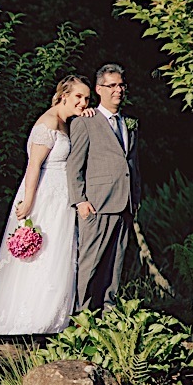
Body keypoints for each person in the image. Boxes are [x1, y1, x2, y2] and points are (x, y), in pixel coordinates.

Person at [0, 75, 93, 335]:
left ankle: (53, 320)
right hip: (44, 196)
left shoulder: (67, 123)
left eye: (87, 98)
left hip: (62, 200)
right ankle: (29, 321)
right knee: (40, 254)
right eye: (78, 97)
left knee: (59, 255)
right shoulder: (48, 122)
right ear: (64, 95)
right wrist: (29, 200)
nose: (83, 102)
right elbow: (34, 166)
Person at [67, 63, 141, 312]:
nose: (118, 90)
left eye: (121, 85)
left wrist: (135, 198)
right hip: (97, 205)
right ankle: (82, 317)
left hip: (125, 204)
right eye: (112, 86)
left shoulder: (129, 123)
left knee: (115, 266)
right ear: (99, 89)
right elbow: (74, 165)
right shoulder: (85, 122)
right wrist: (80, 201)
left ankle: (109, 317)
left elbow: (133, 163)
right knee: (90, 265)